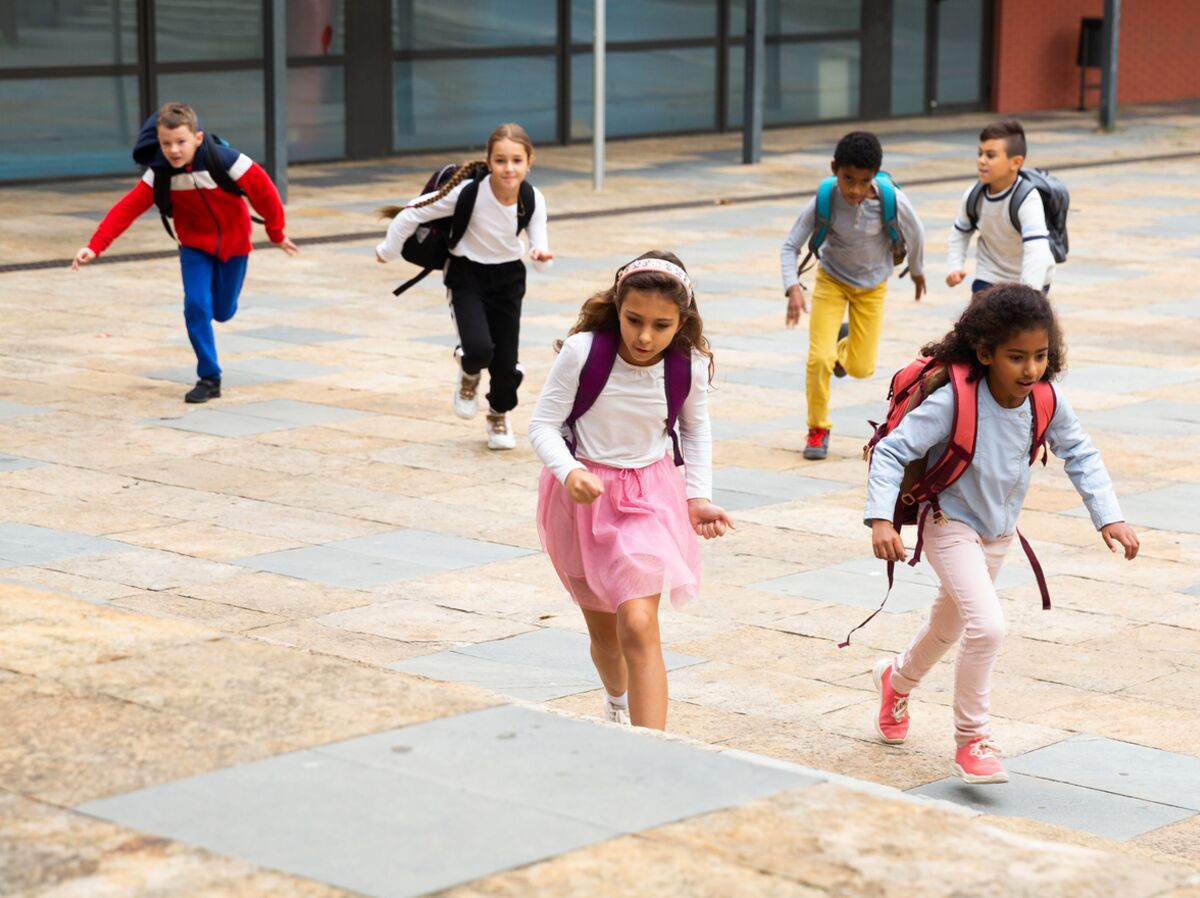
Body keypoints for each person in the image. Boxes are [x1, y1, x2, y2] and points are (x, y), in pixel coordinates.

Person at [865, 284, 1138, 784]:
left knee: (948, 628)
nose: (1030, 369)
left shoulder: (1046, 399)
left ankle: (896, 680)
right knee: (988, 627)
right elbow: (891, 451)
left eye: (1040, 356)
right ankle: (973, 740)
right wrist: (881, 518)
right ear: (986, 353)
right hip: (948, 523)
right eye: (1016, 357)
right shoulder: (953, 401)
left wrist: (1109, 515)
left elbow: (1081, 452)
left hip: (998, 533)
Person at [529, 251, 733, 730]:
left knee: (639, 625)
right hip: (581, 499)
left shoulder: (690, 365)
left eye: (661, 325)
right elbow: (542, 425)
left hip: (648, 497)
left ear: (682, 321)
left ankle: (653, 749)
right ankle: (617, 700)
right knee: (605, 635)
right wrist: (569, 471)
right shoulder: (582, 351)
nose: (645, 337)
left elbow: (695, 431)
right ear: (616, 307)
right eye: (633, 320)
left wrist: (697, 497)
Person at [71, 102, 297, 403]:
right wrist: (95, 245)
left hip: (235, 245)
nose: (173, 150)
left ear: (198, 138)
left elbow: (266, 194)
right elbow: (126, 208)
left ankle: (220, 316)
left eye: (181, 142)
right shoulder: (160, 174)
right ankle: (209, 377)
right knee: (196, 306)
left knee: (223, 311)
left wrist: (276, 233)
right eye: (166, 143)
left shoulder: (228, 162)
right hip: (194, 247)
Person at [376, 123, 553, 450]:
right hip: (466, 275)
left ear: (530, 161)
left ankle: (498, 414)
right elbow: (409, 214)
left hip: (509, 280)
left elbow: (541, 255)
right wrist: (387, 251)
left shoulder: (532, 198)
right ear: (488, 161)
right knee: (478, 350)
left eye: (516, 160)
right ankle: (469, 372)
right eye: (500, 160)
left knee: (506, 365)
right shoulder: (467, 193)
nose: (509, 168)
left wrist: (540, 256)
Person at [780, 131, 926, 461]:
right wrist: (792, 287)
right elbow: (790, 245)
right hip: (831, 281)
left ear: (874, 176)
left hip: (872, 288)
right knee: (818, 359)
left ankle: (843, 347)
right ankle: (818, 428)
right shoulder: (825, 198)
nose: (855, 190)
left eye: (863, 181)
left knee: (861, 367)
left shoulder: (890, 200)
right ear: (835, 169)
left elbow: (916, 233)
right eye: (848, 179)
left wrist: (916, 270)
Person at [946, 119, 1055, 294]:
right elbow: (960, 231)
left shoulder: (1027, 199)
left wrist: (1028, 294)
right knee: (982, 321)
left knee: (1020, 322)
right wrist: (955, 266)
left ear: (1016, 162)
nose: (981, 160)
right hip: (989, 276)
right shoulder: (973, 195)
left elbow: (1037, 251)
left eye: (990, 155)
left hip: (1031, 280)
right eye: (980, 153)